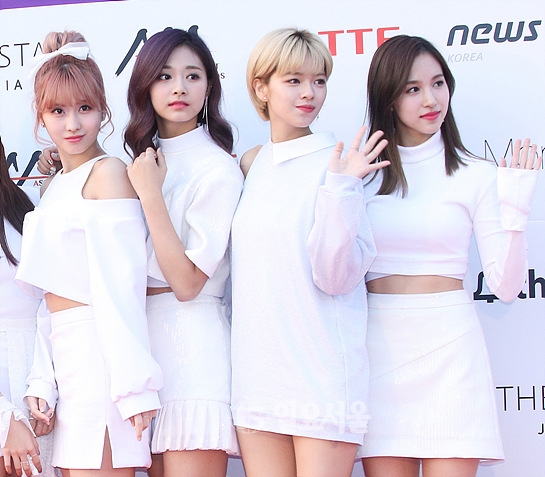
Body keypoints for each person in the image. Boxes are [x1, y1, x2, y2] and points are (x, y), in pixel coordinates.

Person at [360, 35, 541, 477]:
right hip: (377, 350)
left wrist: (515, 209)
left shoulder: (476, 174)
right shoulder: (361, 175)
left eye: (438, 83)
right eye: (413, 88)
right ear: (388, 97)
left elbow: (506, 287)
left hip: (451, 350)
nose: (431, 99)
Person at [229, 28, 389, 477]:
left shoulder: (338, 163)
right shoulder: (250, 164)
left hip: (322, 376)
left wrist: (342, 187)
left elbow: (336, 277)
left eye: (319, 81)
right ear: (261, 87)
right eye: (294, 80)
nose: (309, 93)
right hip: (258, 378)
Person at [15, 30, 163, 476]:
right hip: (68, 366)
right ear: (41, 116)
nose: (73, 124)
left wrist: (134, 387)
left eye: (85, 108)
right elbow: (49, 301)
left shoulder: (109, 174)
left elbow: (122, 289)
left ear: (103, 110)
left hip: (104, 367)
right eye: (58, 111)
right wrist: (42, 381)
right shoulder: (56, 185)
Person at [123, 27, 243, 477]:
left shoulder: (217, 169)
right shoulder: (138, 163)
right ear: (145, 85)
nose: (179, 88)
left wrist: (151, 196)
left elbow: (188, 283)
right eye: (165, 76)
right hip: (141, 348)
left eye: (193, 76)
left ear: (209, 87)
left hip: (194, 349)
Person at [0, 137, 56, 477]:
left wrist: (46, 387)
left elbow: (52, 303)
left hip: (36, 379)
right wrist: (5, 419)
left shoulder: (27, 209)